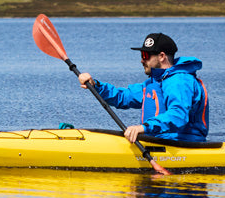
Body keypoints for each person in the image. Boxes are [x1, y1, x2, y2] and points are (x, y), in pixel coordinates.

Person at [76, 33, 208, 143]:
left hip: (182, 144)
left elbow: (178, 115)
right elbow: (123, 97)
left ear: (162, 56)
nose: (141, 60)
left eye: (145, 56)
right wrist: (95, 85)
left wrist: (143, 128)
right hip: (157, 141)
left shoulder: (180, 81)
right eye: (142, 55)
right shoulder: (155, 82)